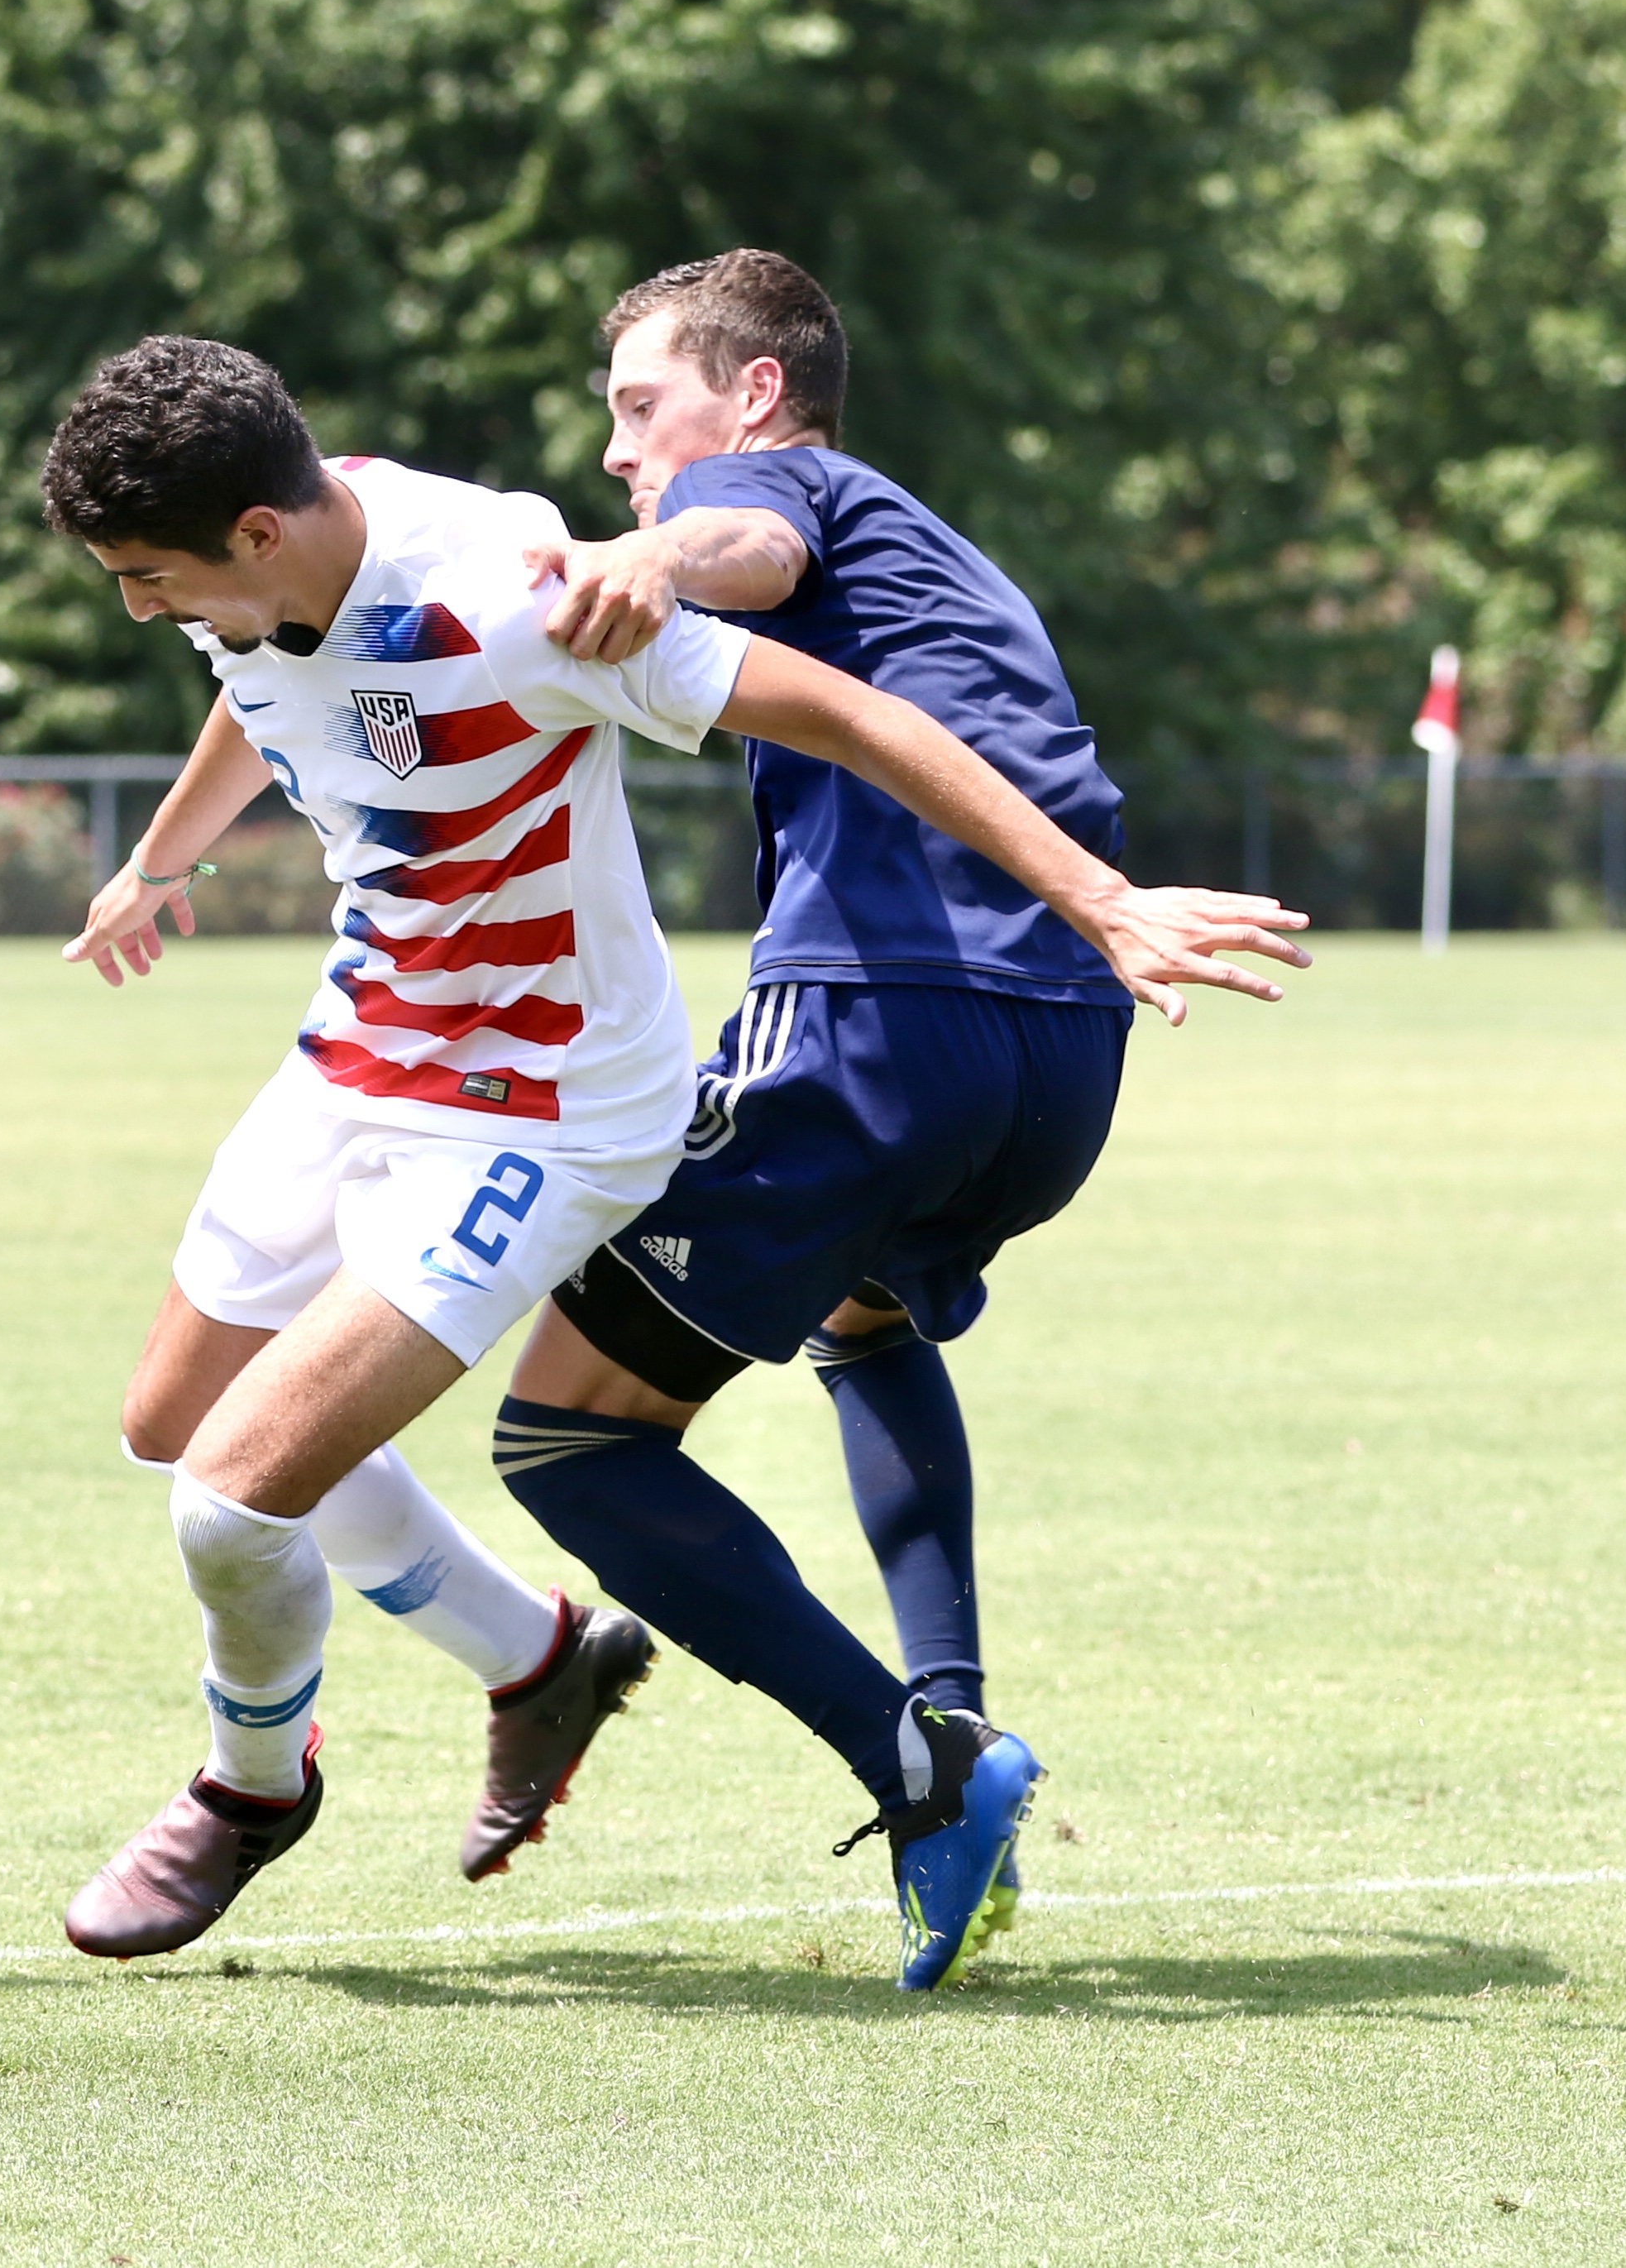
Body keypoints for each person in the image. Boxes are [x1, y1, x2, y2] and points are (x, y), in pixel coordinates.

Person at [37, 335, 1302, 1960]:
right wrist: (154, 862)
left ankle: (246, 1789)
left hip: (546, 1104)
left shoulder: (516, 593)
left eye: (148, 579)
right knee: (172, 1423)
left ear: (261, 530)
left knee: (230, 1505)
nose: (140, 610)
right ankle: (539, 1657)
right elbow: (258, 674)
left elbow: (840, 706)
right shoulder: (266, 560)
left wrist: (1101, 896)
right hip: (363, 1041)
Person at [489, 250, 1304, 1988]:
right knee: (863, 1320)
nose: (627, 449)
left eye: (643, 406)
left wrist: (652, 549)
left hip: (874, 1022)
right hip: (1064, 1051)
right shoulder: (939, 546)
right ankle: (956, 1711)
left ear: (755, 393)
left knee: (566, 1440)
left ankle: (921, 1764)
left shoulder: (759, 487)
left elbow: (739, 545)